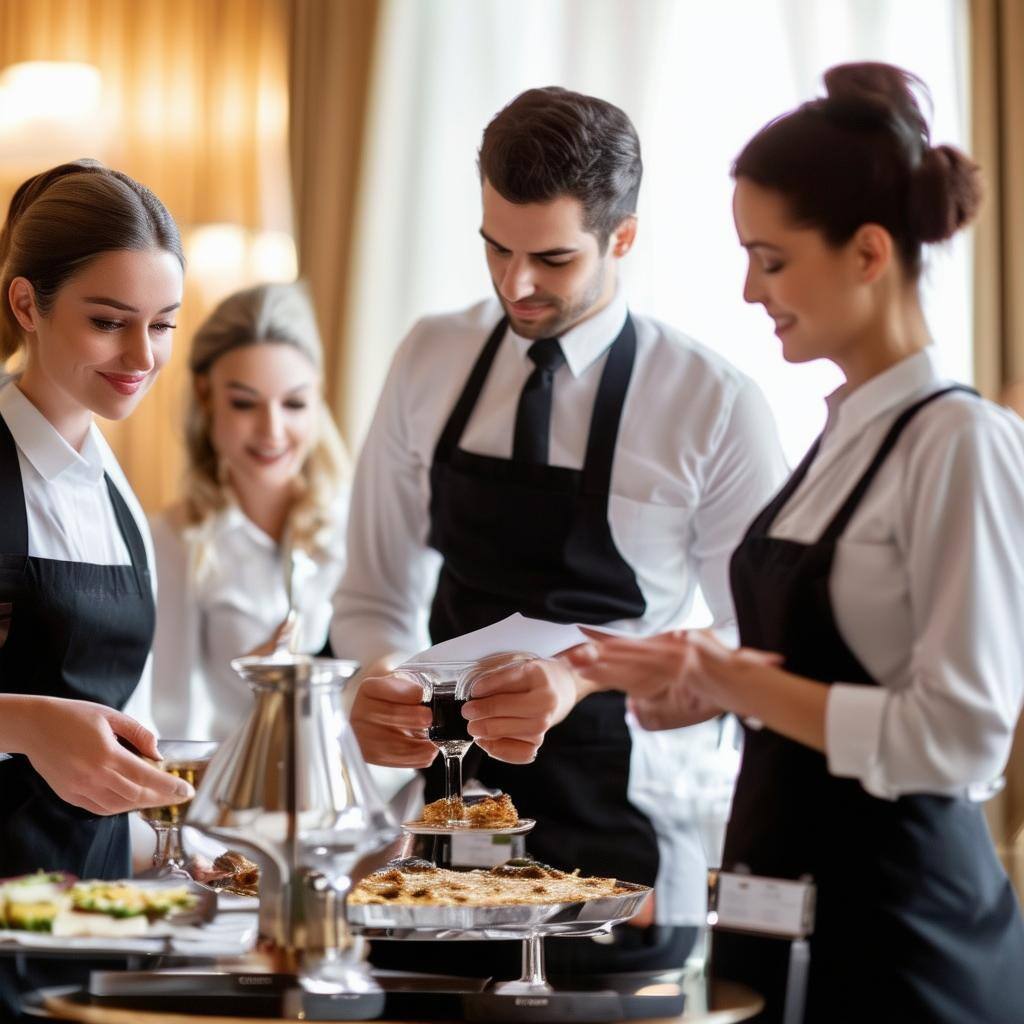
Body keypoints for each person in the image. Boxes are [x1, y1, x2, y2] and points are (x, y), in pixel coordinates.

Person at [565, 63, 1024, 1022]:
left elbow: (964, 736)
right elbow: (825, 675)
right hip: (778, 910)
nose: (746, 288)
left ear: (867, 253)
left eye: (771, 260)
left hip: (902, 935)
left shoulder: (962, 442)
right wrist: (694, 689)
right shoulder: (839, 433)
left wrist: (735, 680)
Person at [333, 86, 787, 977]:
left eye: (552, 258)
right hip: (440, 847)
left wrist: (576, 678)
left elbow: (759, 642)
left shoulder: (714, 403)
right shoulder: (428, 357)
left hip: (623, 843)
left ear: (623, 238)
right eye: (495, 249)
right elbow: (374, 591)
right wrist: (380, 676)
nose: (517, 285)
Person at [0, 159, 193, 1018]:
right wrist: (24, 723)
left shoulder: (114, 487)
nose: (142, 357)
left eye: (164, 325)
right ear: (26, 305)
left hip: (91, 923)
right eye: (110, 322)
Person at [150, 282, 350, 742]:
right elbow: (171, 721)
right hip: (238, 797)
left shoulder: (358, 525)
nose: (272, 431)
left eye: (295, 403)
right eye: (244, 403)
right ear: (206, 396)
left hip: (369, 796)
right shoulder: (174, 540)